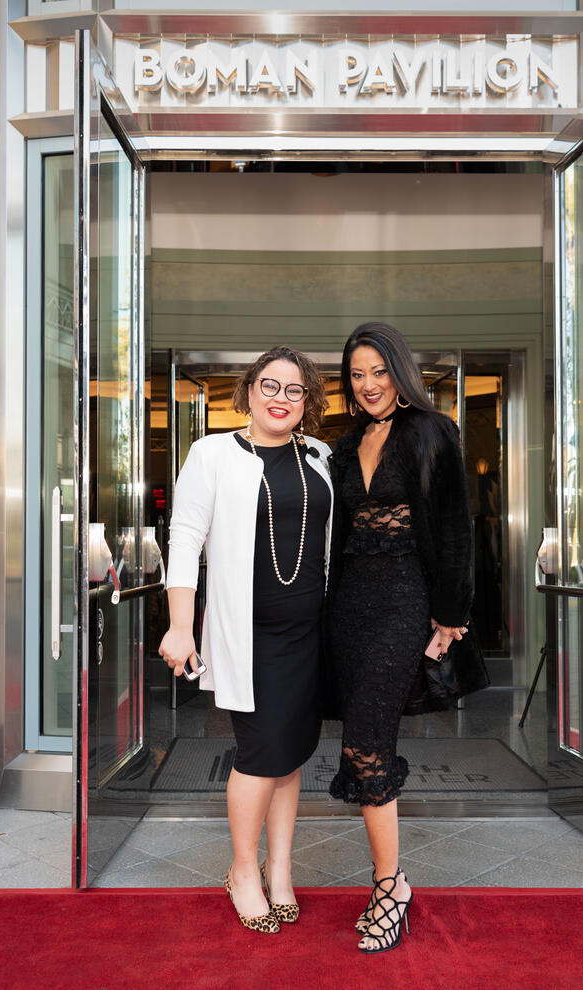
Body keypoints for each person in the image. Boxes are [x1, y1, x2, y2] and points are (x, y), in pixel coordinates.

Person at [160, 346, 332, 934]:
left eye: (294, 389)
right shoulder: (212, 453)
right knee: (260, 755)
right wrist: (181, 626)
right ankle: (242, 870)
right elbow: (184, 538)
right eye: (270, 386)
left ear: (307, 401)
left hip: (309, 632)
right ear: (249, 392)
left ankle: (280, 869)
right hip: (249, 636)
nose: (281, 398)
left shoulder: (321, 456)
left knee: (291, 754)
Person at [327, 322, 474, 954]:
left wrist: (450, 615)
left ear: (400, 371)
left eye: (379, 371)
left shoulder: (432, 431)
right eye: (357, 374)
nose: (368, 385)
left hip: (405, 601)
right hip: (347, 605)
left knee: (365, 739)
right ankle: (393, 884)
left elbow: (455, 527)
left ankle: (389, 887)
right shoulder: (345, 440)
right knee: (364, 733)